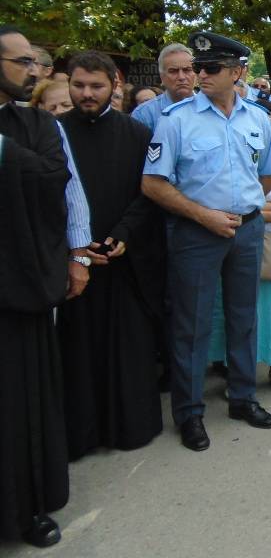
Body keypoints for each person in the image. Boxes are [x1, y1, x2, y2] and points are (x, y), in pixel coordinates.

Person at [141, 31, 271, 452]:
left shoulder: (256, 118)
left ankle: (242, 397)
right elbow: (152, 183)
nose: (200, 74)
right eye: (198, 67)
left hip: (248, 228)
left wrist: (241, 208)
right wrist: (205, 214)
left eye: (210, 68)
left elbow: (269, 174)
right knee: (192, 324)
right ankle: (189, 413)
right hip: (196, 232)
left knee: (244, 316)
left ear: (237, 73)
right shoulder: (177, 119)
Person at [0, 26, 91, 548]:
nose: (33, 71)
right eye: (22, 62)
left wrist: (77, 255)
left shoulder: (35, 124)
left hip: (21, 284)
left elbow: (60, 183)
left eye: (35, 62)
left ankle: (25, 509)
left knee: (20, 400)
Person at [58, 51, 164, 460]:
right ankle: (81, 434)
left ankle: (130, 425)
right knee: (78, 352)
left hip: (126, 259)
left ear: (114, 85)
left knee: (128, 346)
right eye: (79, 85)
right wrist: (76, 247)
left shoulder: (136, 134)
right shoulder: (55, 133)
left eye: (96, 86)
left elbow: (150, 190)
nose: (87, 94)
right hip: (75, 260)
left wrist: (123, 233)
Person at [210, 100, 271, 395]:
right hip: (235, 243)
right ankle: (240, 376)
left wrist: (251, 209)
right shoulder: (232, 158)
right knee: (238, 312)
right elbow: (224, 205)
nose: (267, 130)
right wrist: (264, 208)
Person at [131, 42, 196, 132]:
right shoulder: (144, 114)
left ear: (196, 74)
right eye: (173, 71)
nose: (181, 77)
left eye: (187, 70)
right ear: (162, 77)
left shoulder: (212, 109)